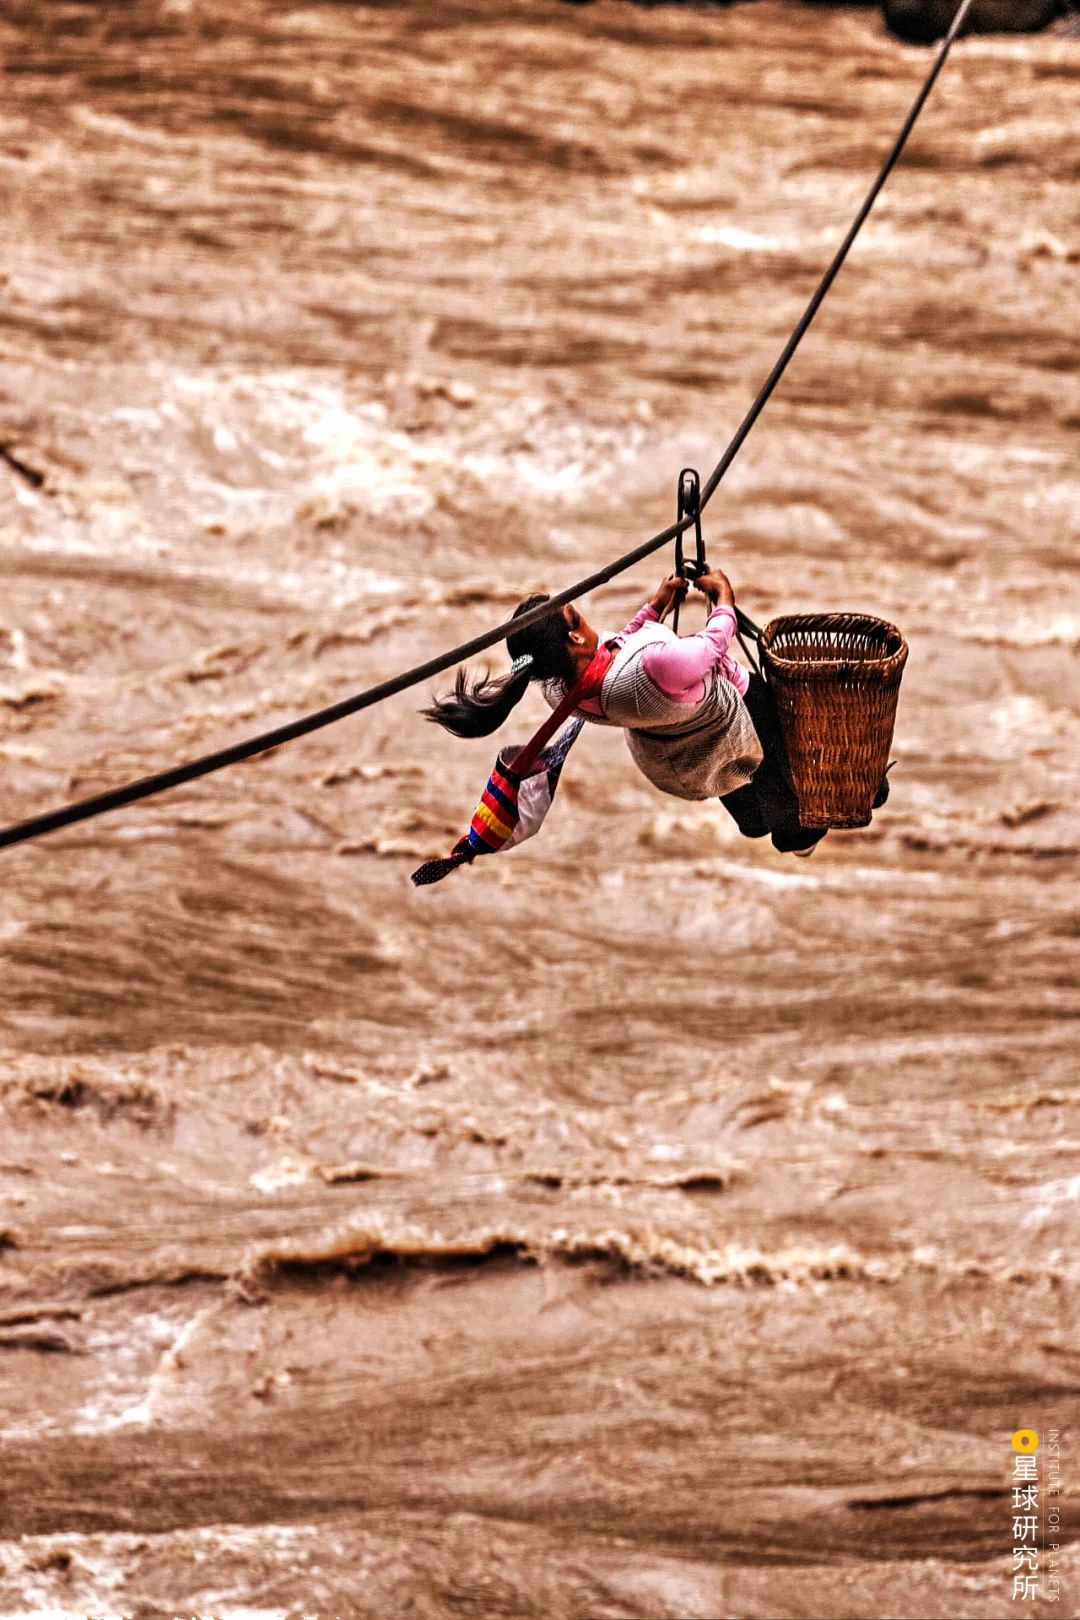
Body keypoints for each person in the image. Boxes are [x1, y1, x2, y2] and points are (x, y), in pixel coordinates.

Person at [424, 568, 827, 855]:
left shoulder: (560, 689)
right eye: (576, 615)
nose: (584, 615)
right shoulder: (656, 669)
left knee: (751, 797)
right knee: (796, 773)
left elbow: (614, 650)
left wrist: (655, 608)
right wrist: (724, 598)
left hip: (684, 752)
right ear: (576, 635)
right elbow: (713, 644)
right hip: (738, 717)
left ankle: (765, 824)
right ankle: (801, 835)